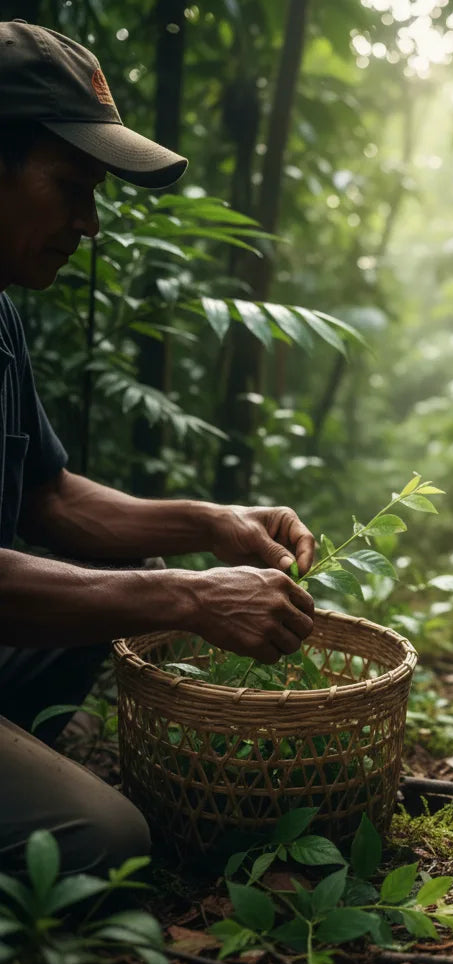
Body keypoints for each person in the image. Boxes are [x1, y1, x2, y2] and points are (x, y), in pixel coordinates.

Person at [0, 21, 317, 876]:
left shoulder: (0, 313)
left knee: (119, 593)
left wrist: (209, 523)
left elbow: (52, 499)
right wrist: (190, 598)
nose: (90, 224)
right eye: (70, 187)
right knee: (110, 842)